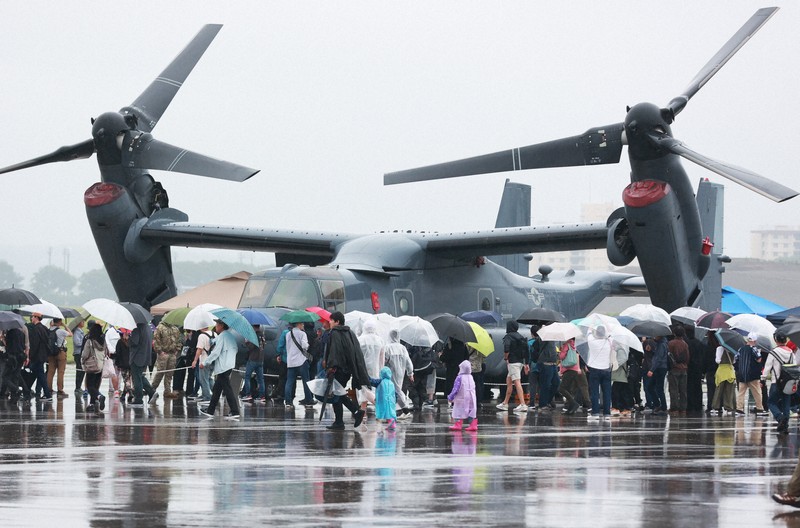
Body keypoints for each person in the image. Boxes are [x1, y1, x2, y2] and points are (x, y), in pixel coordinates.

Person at [323, 311, 368, 430]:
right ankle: (339, 421)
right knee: (338, 393)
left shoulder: (335, 333)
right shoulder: (350, 332)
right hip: (347, 370)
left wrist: (331, 366)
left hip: (337, 369)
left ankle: (354, 412)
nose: (330, 322)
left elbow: (334, 351)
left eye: (331, 320)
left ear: (337, 322)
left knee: (337, 393)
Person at [199, 319, 241, 419]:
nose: (216, 325)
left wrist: (205, 363)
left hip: (223, 366)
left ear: (221, 325)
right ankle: (210, 410)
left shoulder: (222, 336)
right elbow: (235, 349)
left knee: (227, 389)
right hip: (229, 365)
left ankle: (235, 412)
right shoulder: (229, 336)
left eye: (217, 324)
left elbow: (216, 352)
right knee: (217, 389)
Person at [763, 332, 795, 433]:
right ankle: (785, 426)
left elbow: (767, 367)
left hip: (775, 382)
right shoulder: (791, 352)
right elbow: (794, 367)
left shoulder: (773, 352)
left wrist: (762, 379)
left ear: (776, 340)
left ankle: (780, 418)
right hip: (788, 382)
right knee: (786, 404)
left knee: (771, 402)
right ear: (785, 340)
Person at [496, 320, 529, 413]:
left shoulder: (508, 337)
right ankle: (505, 403)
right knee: (509, 381)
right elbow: (526, 351)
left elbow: (506, 347)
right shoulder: (521, 337)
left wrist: (506, 357)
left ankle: (523, 404)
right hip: (520, 362)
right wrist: (526, 363)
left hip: (513, 362)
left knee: (517, 382)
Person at [284, 320, 316, 408]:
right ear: (298, 324)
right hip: (301, 361)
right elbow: (304, 346)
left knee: (289, 381)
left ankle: (288, 401)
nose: (303, 325)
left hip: (291, 361)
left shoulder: (288, 334)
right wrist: (307, 345)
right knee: (306, 380)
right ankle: (309, 399)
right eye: (302, 324)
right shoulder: (302, 334)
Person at [384, 329, 414, 419]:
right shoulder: (403, 348)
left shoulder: (387, 347)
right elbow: (408, 361)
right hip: (401, 372)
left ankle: (405, 410)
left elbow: (384, 361)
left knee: (396, 390)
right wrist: (410, 373)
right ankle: (395, 410)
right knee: (396, 389)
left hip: (391, 371)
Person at [734, 332, 766, 416]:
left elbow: (736, 359)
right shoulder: (754, 349)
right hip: (753, 375)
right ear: (755, 340)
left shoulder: (741, 349)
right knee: (757, 392)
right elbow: (759, 359)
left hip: (742, 375)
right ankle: (759, 408)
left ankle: (739, 409)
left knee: (741, 393)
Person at [586, 326, 614, 420]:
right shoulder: (609, 341)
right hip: (606, 369)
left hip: (594, 369)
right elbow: (611, 334)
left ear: (596, 333)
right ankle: (607, 414)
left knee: (594, 392)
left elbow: (589, 333)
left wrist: (591, 327)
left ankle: (595, 413)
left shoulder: (591, 341)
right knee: (607, 392)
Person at [357, 319, 385, 413]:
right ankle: (368, 411)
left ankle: (364, 411)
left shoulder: (360, 340)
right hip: (375, 368)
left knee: (363, 389)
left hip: (362, 368)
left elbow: (356, 355)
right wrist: (382, 369)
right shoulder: (380, 340)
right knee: (373, 388)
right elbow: (382, 357)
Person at [128, 323, 157, 407]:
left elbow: (134, 342)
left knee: (136, 378)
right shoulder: (148, 327)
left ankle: (138, 399)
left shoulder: (137, 329)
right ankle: (151, 392)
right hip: (145, 356)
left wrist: (129, 337)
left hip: (137, 357)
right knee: (140, 376)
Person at [151, 321, 183, 398]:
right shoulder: (160, 327)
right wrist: (160, 351)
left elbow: (179, 340)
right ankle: (152, 389)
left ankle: (167, 391)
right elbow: (156, 340)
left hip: (172, 353)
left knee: (170, 373)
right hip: (163, 353)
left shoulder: (175, 328)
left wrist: (177, 350)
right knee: (160, 372)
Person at [26, 313, 52, 402]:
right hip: (43, 355)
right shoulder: (44, 328)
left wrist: (30, 356)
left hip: (37, 356)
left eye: (32, 317)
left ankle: (27, 391)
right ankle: (46, 394)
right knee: (39, 374)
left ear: (36, 317)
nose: (31, 318)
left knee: (37, 373)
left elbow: (35, 344)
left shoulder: (36, 329)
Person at [558, 337, 589, 414]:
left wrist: (560, 351)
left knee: (562, 388)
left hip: (569, 368)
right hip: (575, 368)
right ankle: (570, 407)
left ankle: (573, 403)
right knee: (571, 388)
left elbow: (561, 356)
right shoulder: (576, 345)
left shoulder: (567, 345)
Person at [81, 322, 107, 413]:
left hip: (92, 365)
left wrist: (83, 361)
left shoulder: (90, 341)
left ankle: (100, 397)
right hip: (100, 365)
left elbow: (85, 354)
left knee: (89, 385)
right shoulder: (103, 340)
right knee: (95, 385)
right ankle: (92, 404)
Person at [448, 359, 478, 431]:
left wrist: (450, 397)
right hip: (471, 397)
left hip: (462, 397)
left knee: (459, 410)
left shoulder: (459, 377)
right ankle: (473, 424)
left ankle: (458, 424)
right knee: (471, 410)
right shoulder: (471, 377)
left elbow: (456, 389)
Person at [711, 335, 737, 416]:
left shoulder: (719, 348)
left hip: (721, 371)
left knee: (719, 390)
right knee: (729, 391)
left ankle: (715, 407)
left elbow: (717, 360)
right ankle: (729, 407)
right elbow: (734, 361)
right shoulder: (733, 349)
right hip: (730, 371)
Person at [47, 317, 71, 398]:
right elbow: (70, 334)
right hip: (60, 352)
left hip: (50, 353)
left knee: (50, 371)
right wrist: (64, 325)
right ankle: (60, 390)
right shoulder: (60, 331)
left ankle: (49, 389)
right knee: (60, 372)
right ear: (60, 322)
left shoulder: (48, 330)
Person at [667, 326, 689, 414]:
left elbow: (668, 356)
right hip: (683, 369)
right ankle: (683, 407)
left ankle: (674, 407)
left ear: (674, 333)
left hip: (674, 369)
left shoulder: (671, 343)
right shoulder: (685, 344)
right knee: (683, 390)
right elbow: (687, 357)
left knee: (673, 389)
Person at [369, 366, 397, 431]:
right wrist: (395, 400)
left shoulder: (379, 381)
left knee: (380, 413)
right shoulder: (391, 383)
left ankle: (379, 427)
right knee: (390, 412)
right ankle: (392, 424)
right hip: (391, 401)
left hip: (382, 401)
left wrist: (365, 376)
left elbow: (371, 381)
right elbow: (395, 393)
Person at [241, 335, 266, 404]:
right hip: (260, 360)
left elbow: (251, 347)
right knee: (261, 379)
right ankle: (262, 396)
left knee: (247, 377)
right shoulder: (262, 336)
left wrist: (247, 342)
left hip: (253, 359)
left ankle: (248, 394)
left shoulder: (253, 336)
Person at [72, 320, 86, 397]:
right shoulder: (77, 332)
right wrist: (84, 342)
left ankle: (79, 386)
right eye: (82, 322)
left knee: (82, 371)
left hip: (81, 353)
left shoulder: (80, 331)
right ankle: (77, 387)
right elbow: (77, 342)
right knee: (79, 370)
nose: (83, 323)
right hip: (78, 353)